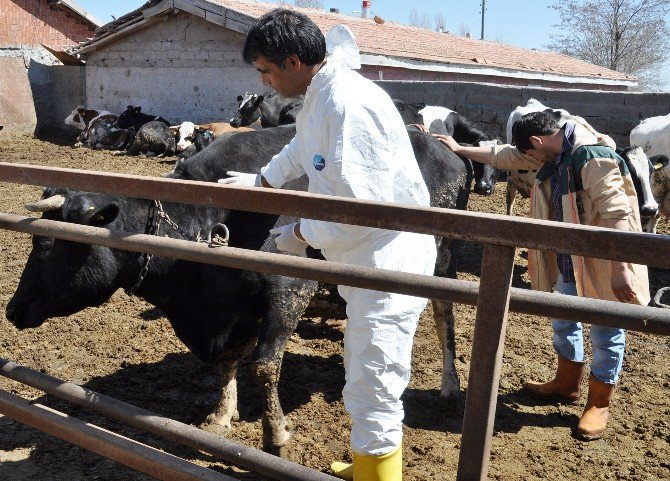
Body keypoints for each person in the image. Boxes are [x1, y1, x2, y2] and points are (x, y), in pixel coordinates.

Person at [217, 9, 436, 481]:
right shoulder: (321, 96)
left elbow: (362, 208)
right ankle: (368, 463)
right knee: (360, 365)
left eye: (266, 71)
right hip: (362, 257)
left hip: (386, 259)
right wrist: (261, 180)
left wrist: (299, 235)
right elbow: (301, 148)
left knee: (375, 378)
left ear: (293, 61)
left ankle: (379, 474)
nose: (265, 82)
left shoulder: (347, 104)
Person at [434, 112, 650, 440]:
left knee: (606, 331)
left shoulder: (591, 156)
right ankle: (567, 384)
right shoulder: (555, 151)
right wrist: (460, 148)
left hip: (603, 262)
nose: (529, 161)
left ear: (538, 141)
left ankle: (599, 403)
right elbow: (506, 155)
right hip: (567, 260)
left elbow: (617, 211)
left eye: (531, 153)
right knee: (563, 318)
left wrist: (622, 266)